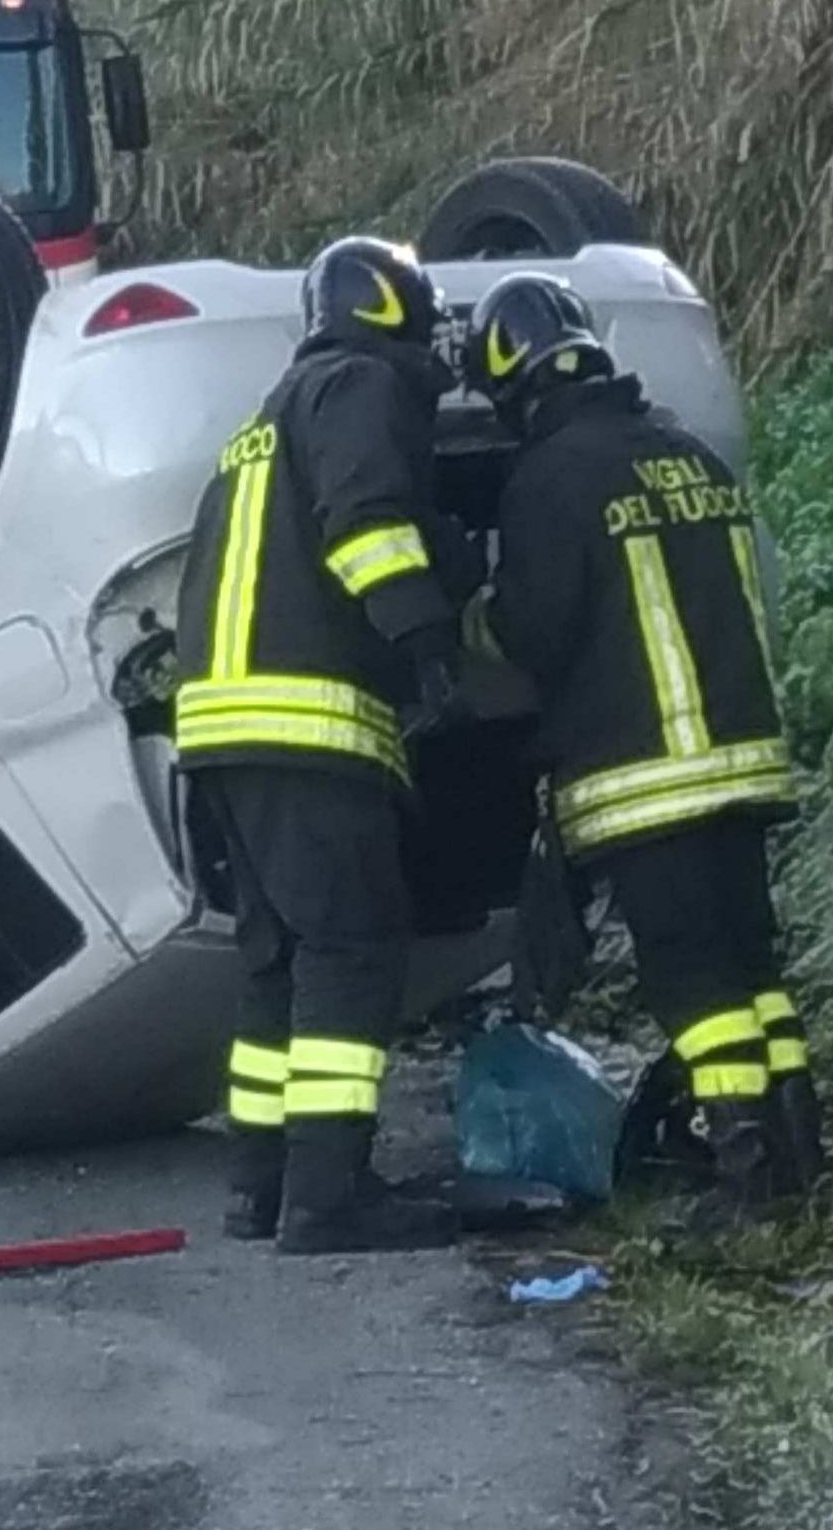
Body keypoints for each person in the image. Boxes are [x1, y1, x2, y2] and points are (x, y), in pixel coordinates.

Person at [465, 272, 820, 1214]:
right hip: (741, 765)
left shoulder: (550, 478)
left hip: (647, 782)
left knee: (694, 986)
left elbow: (534, 630)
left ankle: (747, 1178)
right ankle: (799, 1153)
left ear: (510, 381)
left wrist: (471, 623)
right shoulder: (687, 455)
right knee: (753, 972)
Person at [171, 235, 473, 1255]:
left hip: (222, 731)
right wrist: (425, 638)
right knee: (351, 949)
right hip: (306, 724)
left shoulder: (262, 422)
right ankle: (328, 1199)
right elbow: (365, 525)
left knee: (279, 963)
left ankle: (259, 1185)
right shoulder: (357, 386)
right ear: (394, 306)